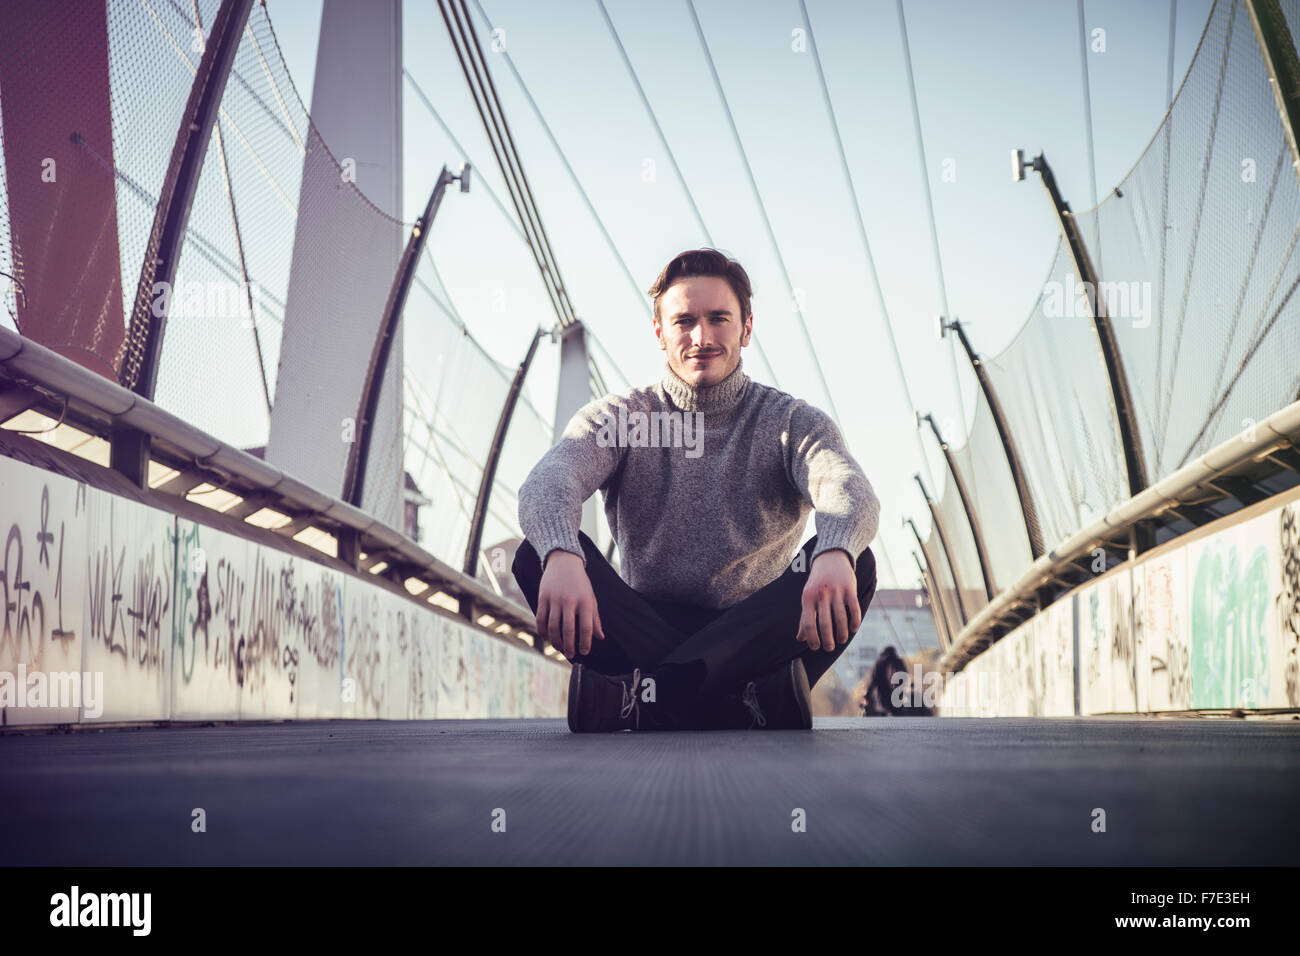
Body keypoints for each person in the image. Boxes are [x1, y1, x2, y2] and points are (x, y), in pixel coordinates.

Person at [512, 248, 881, 732]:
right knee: (532, 555)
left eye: (719, 319)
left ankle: (639, 697)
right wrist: (560, 552)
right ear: (659, 332)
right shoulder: (623, 418)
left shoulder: (790, 421)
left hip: (755, 633)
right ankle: (745, 702)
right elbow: (547, 483)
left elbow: (847, 487)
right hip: (644, 625)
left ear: (746, 328)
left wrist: (836, 549)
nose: (701, 337)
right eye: (684, 321)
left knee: (857, 561)